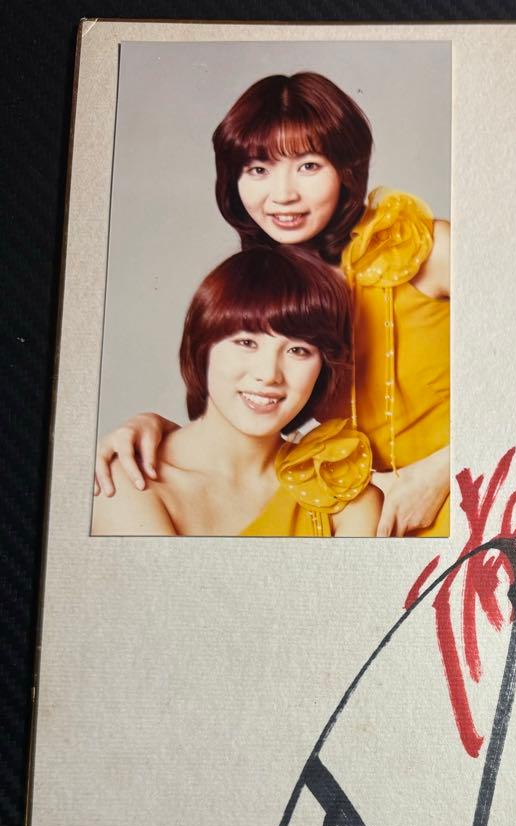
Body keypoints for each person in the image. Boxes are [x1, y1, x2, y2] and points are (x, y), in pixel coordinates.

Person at [94, 71, 450, 537]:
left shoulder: (424, 249)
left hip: (481, 488)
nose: (282, 195)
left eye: (308, 166)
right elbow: (253, 405)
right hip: (381, 520)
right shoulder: (286, 295)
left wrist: (441, 472)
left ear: (346, 168)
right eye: (258, 169)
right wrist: (157, 428)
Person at [92, 247, 380, 538]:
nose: (269, 374)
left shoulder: (340, 497)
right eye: (246, 343)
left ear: (323, 369)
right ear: (203, 346)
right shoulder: (127, 482)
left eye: (298, 350)